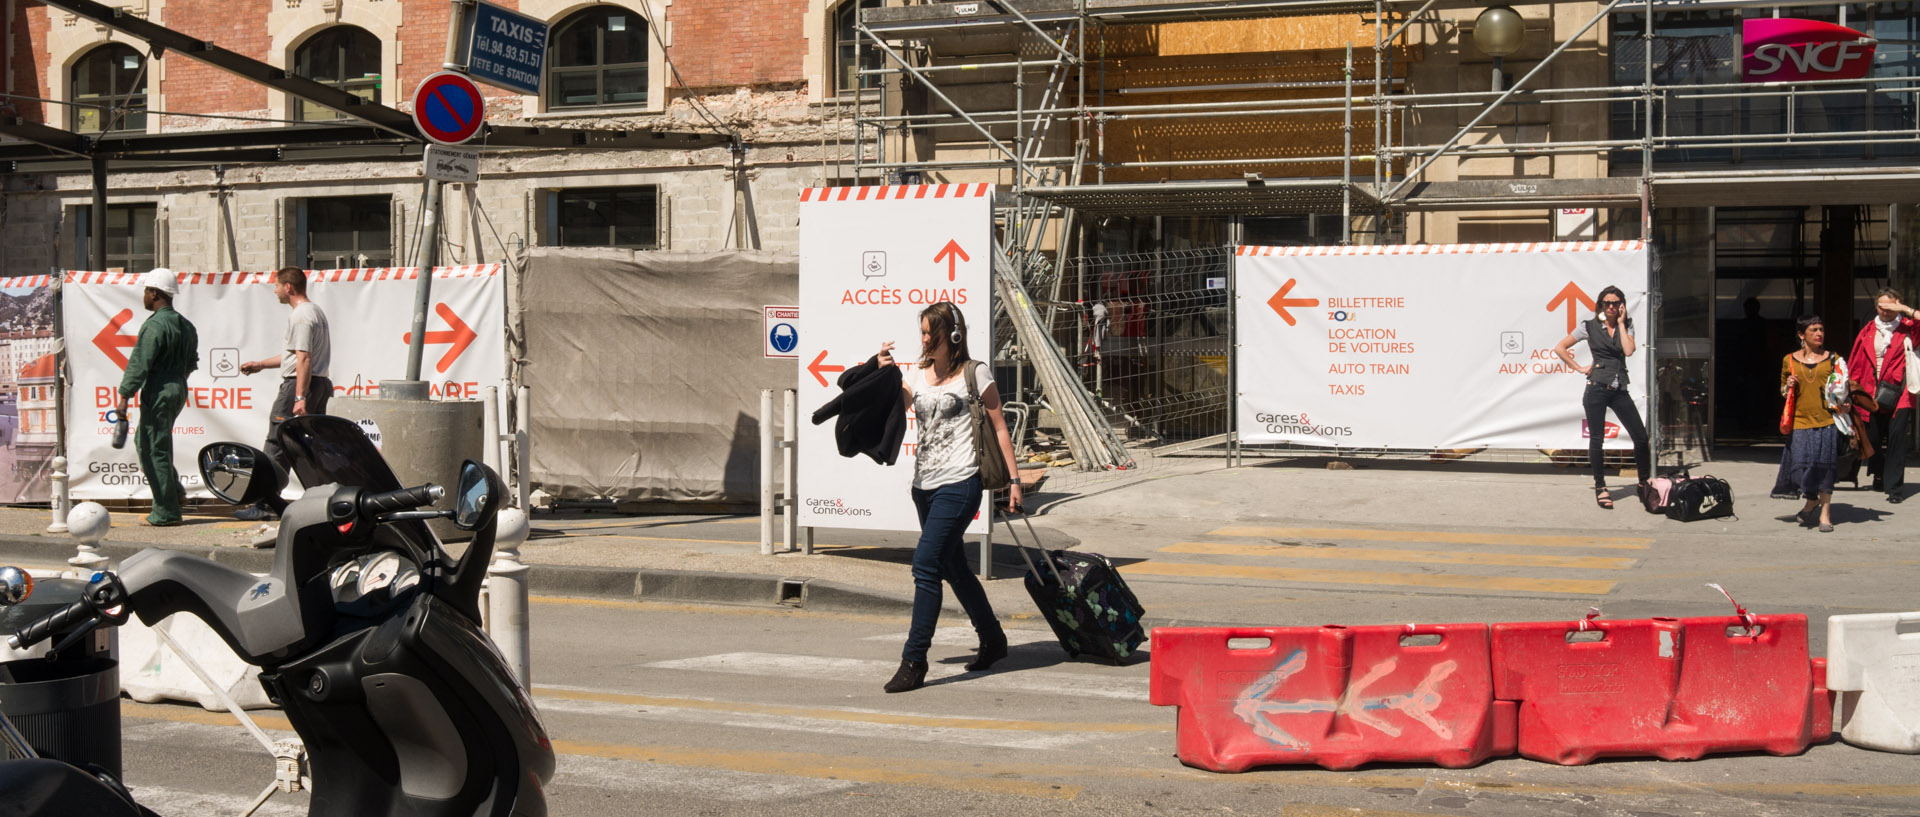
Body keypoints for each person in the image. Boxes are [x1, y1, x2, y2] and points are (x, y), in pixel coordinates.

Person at [873, 301, 1020, 693]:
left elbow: (1000, 426)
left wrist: (1015, 480)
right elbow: (894, 407)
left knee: (925, 565)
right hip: (925, 485)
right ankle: (993, 639)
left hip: (962, 482)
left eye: (929, 333)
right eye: (921, 332)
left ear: (952, 336)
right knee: (953, 568)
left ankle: (914, 660)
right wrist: (881, 371)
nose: (924, 340)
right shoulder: (919, 374)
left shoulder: (975, 373)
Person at [236, 266, 332, 522]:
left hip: (299, 387)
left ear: (288, 287)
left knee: (277, 443)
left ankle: (265, 503)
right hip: (319, 384)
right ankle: (322, 500)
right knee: (309, 447)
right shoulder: (315, 312)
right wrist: (260, 365)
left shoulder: (300, 316)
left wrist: (299, 397)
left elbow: (303, 358)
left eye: (276, 286)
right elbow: (294, 356)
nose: (275, 290)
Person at [114, 268, 199, 527]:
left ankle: (166, 511)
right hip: (177, 386)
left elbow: (140, 363)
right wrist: (176, 383)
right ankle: (174, 492)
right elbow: (191, 362)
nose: (144, 297)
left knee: (153, 448)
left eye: (145, 292)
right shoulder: (186, 325)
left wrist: (124, 396)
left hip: (160, 388)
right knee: (149, 443)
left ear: (154, 293)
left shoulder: (154, 325)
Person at [1553, 285, 1650, 509]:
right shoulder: (1589, 327)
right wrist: (1578, 367)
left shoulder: (1628, 325)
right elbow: (1560, 348)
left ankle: (1643, 483)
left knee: (1640, 437)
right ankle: (1601, 487)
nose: (1611, 307)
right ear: (1601, 305)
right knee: (1597, 440)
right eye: (1607, 303)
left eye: (1616, 303)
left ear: (1622, 305)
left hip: (1619, 390)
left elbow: (1628, 351)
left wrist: (1623, 323)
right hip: (1596, 388)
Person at [1774, 315, 1858, 532]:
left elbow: (1843, 388)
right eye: (1814, 330)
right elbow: (1783, 390)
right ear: (1802, 335)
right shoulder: (1789, 360)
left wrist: (1846, 402)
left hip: (1827, 420)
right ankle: (1812, 500)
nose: (1819, 333)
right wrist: (1788, 386)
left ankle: (1825, 513)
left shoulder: (1833, 359)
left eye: (1821, 329)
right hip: (1800, 421)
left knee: (1825, 469)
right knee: (1800, 468)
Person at [1846, 289, 1917, 503]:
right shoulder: (1868, 330)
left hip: (1901, 392)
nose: (1885, 311)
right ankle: (1879, 473)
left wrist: (1905, 310)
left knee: (1897, 439)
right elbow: (1856, 363)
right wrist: (1850, 392)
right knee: (1873, 439)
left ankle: (1894, 488)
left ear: (1898, 304)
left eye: (1889, 307)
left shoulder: (1909, 328)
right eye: (1880, 307)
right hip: (1871, 393)